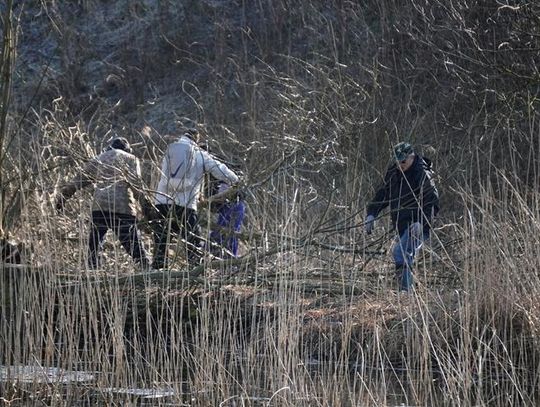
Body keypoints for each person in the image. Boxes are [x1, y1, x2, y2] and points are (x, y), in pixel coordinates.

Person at [56, 137, 151, 269]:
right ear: (127, 149)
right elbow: (137, 185)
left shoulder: (99, 159)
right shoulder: (131, 159)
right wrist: (147, 206)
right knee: (134, 246)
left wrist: (63, 197)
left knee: (94, 247)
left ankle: (93, 273)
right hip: (122, 207)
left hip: (100, 207)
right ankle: (147, 270)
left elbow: (79, 181)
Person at [151, 129, 239, 269]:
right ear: (196, 140)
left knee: (161, 241)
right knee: (193, 242)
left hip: (162, 202)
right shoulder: (199, 154)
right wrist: (236, 180)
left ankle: (157, 272)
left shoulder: (170, 151)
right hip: (185, 205)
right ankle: (196, 271)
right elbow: (219, 169)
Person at [365, 142, 439, 291]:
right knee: (405, 255)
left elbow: (432, 200)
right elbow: (383, 194)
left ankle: (405, 291)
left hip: (417, 225)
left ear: (412, 157)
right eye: (397, 161)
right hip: (402, 224)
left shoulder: (422, 172)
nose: (400, 165)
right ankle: (410, 289)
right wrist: (371, 214)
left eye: (403, 161)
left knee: (400, 252)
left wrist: (421, 222)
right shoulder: (394, 172)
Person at [207, 181, 246, 259]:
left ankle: (228, 258)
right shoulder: (223, 180)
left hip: (233, 205)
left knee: (230, 232)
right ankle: (215, 253)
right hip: (228, 205)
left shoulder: (230, 178)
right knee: (222, 230)